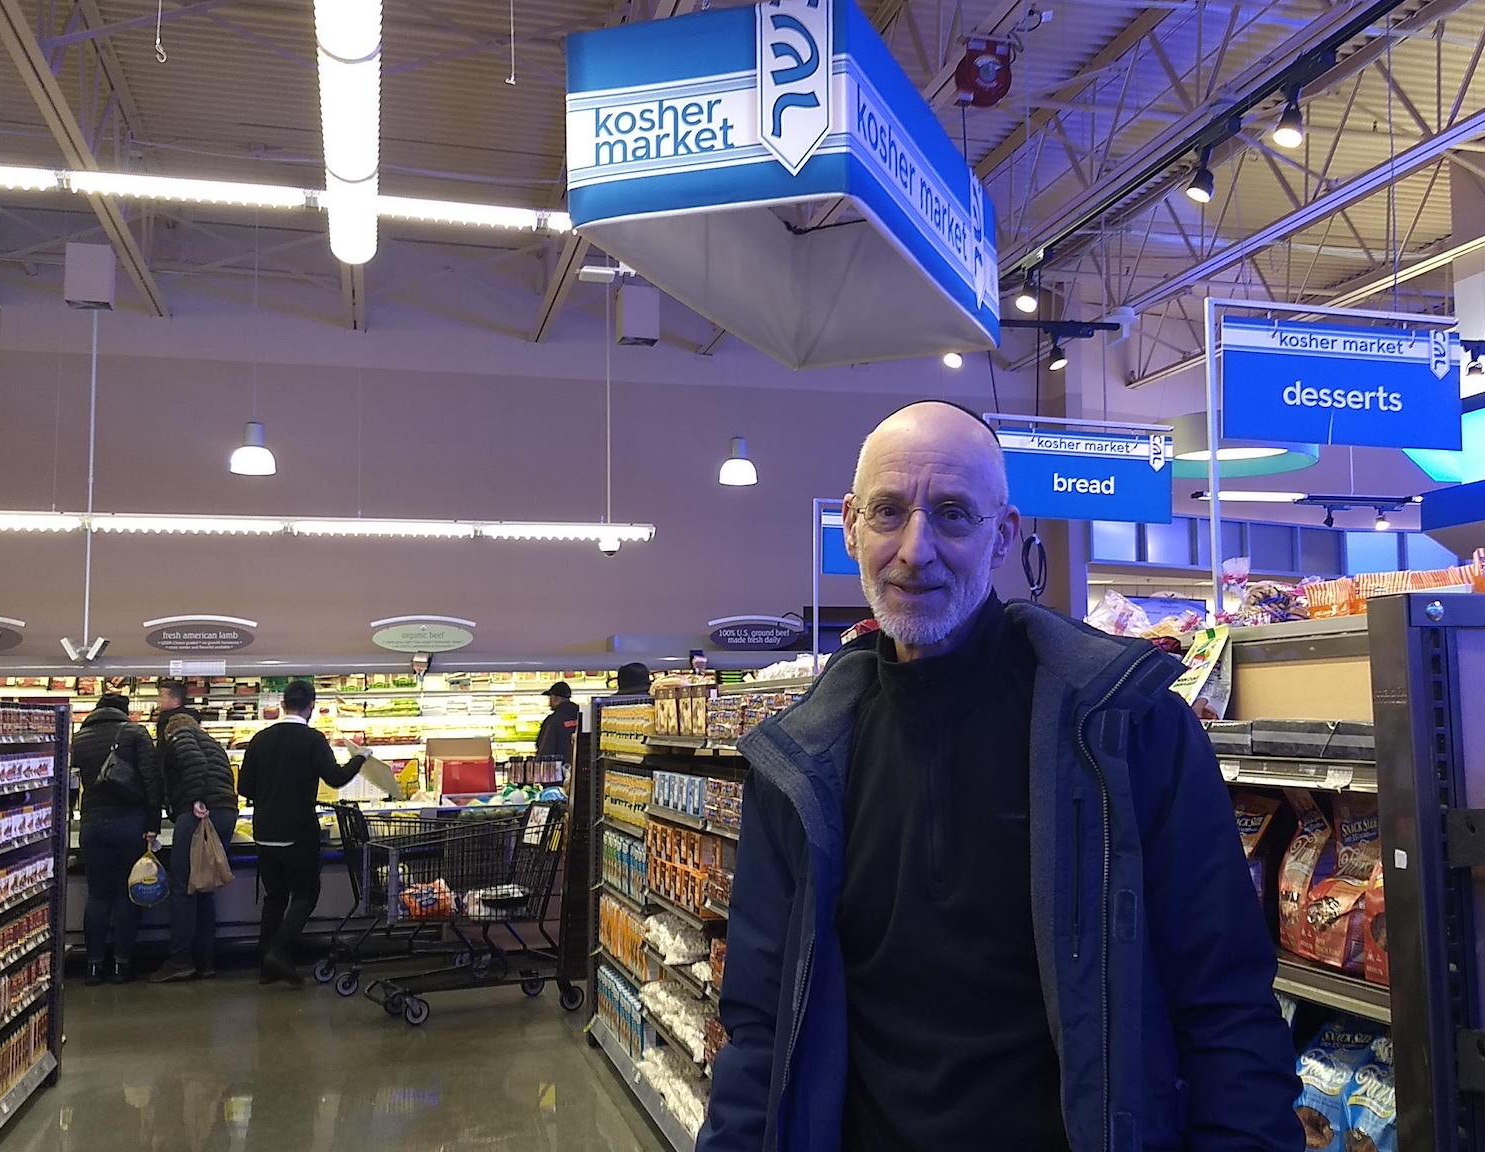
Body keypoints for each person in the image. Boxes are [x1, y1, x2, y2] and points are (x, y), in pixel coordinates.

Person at [699, 402, 1301, 1152]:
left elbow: (1226, 1005)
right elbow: (760, 1026)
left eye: (952, 515)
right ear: (851, 526)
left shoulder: (1127, 729)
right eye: (889, 512)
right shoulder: (800, 766)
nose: (916, 550)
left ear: (1003, 536)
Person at [236, 679, 366, 986]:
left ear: (283, 705)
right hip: (298, 832)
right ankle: (278, 953)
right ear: (311, 707)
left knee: (275, 897)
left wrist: (269, 795)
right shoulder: (312, 739)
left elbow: (244, 787)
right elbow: (335, 778)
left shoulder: (261, 738)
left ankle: (265, 965)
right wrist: (361, 758)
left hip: (264, 832)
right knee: (306, 895)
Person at [145, 679, 240, 983]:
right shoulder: (209, 740)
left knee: (184, 886)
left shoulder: (179, 735)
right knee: (205, 885)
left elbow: (194, 764)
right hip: (224, 811)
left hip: (200, 813)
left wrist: (197, 799)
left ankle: (180, 960)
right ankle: (206, 961)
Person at [71, 692, 155, 985]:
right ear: (125, 710)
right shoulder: (135, 733)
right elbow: (150, 779)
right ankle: (121, 965)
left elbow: (71, 782)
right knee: (126, 895)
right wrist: (153, 822)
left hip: (93, 824)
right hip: (130, 822)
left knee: (98, 895)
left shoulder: (79, 738)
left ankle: (93, 966)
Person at [534, 681, 582, 762]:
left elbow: (545, 749)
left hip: (559, 769)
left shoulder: (552, 721)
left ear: (555, 698)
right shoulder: (582, 717)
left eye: (550, 698)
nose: (549, 703)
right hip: (580, 768)